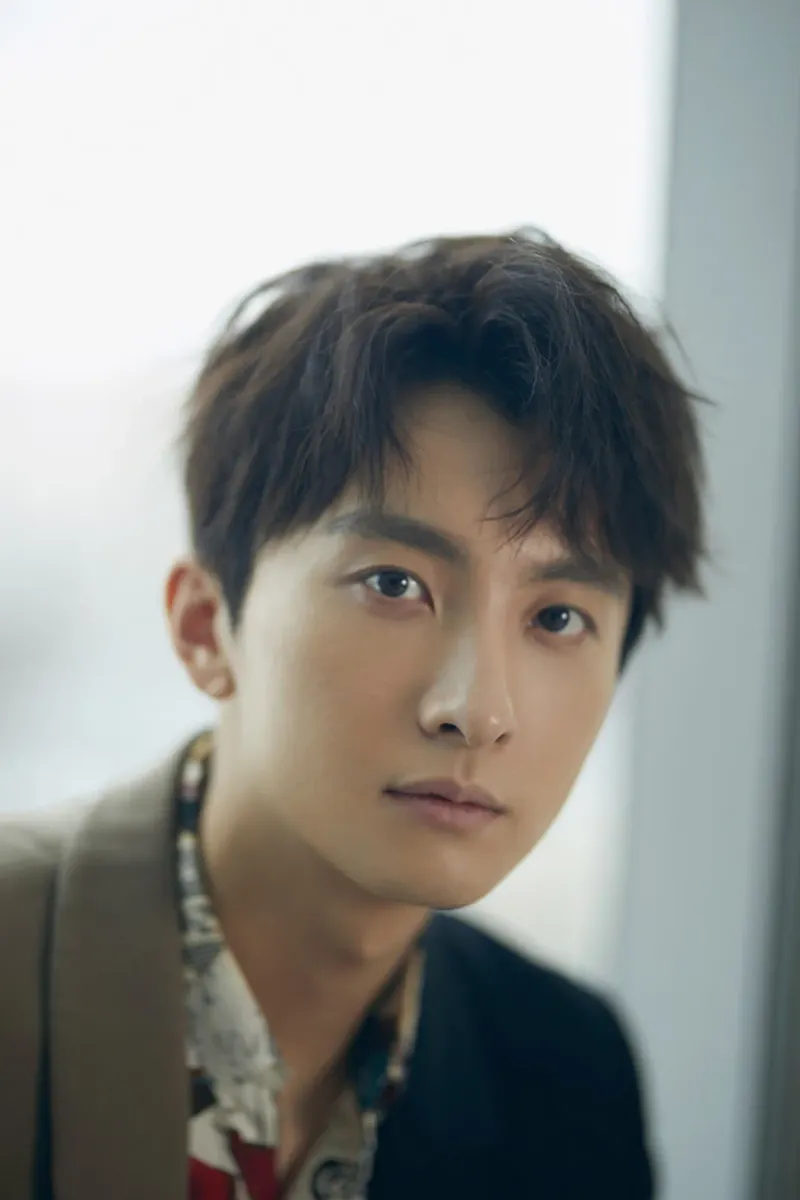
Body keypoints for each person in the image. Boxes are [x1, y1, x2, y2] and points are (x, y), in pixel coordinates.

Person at [0, 230, 706, 1200]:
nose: (477, 711)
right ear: (206, 625)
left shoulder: (564, 1070)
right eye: (393, 584)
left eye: (556, 618)